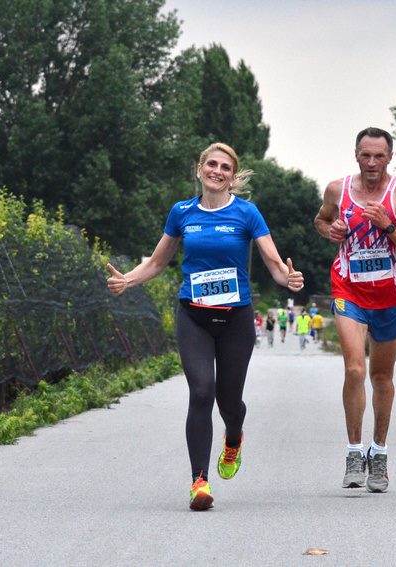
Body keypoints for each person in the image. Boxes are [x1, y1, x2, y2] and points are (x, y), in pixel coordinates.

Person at [106, 142, 304, 511]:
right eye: (211, 164)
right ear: (200, 169)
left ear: (233, 176)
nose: (217, 171)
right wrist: (127, 280)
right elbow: (157, 262)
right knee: (201, 392)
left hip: (235, 319)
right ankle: (199, 482)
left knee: (229, 402)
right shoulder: (182, 212)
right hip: (193, 316)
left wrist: (287, 278)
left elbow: (275, 263)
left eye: (225, 167)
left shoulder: (247, 213)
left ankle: (234, 436)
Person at [314, 126, 396, 493]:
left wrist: (387, 225)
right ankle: (353, 452)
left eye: (379, 156)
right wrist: (330, 230)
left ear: (390, 157)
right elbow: (321, 219)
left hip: (390, 296)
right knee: (354, 369)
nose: (372, 162)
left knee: (381, 377)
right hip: (349, 290)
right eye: (366, 155)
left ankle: (379, 453)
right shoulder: (338, 189)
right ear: (356, 155)